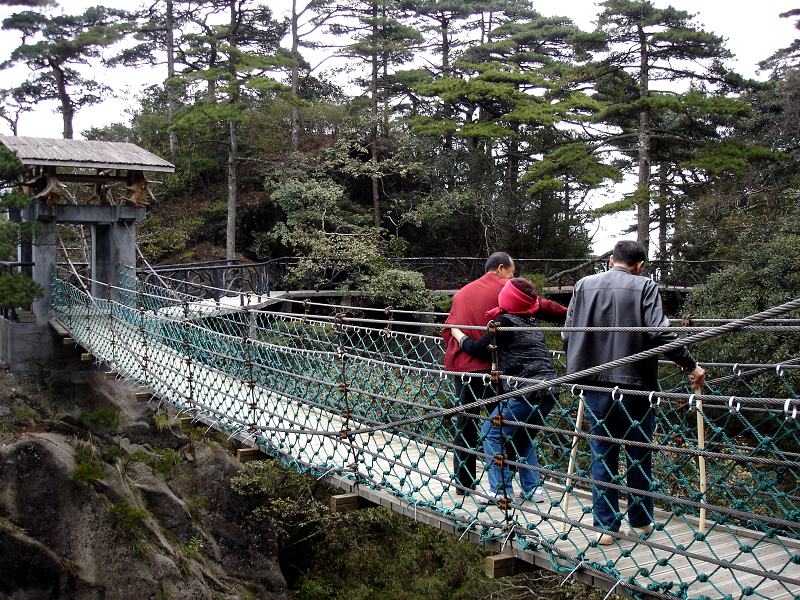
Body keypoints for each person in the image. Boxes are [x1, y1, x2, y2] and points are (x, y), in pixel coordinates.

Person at [563, 240, 705, 545]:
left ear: (612, 259)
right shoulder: (644, 287)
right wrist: (690, 365)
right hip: (636, 384)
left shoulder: (583, 285)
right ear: (640, 265)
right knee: (639, 452)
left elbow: (567, 333)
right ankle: (640, 522)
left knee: (602, 452)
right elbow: (659, 332)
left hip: (593, 382)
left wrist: (580, 365)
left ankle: (605, 527)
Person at [451, 277, 567, 503]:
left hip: (524, 392)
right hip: (549, 390)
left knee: (491, 433)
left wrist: (457, 334)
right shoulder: (531, 320)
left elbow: (477, 348)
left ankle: (500, 490)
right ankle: (533, 489)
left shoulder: (502, 322)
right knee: (522, 436)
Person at [443, 252, 515, 495]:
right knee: (504, 422)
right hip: (493, 367)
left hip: (463, 367)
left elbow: (450, 327)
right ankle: (505, 482)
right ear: (501, 269)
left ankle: (464, 484)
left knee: (465, 423)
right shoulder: (507, 288)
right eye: (512, 272)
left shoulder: (462, 292)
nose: (512, 277)